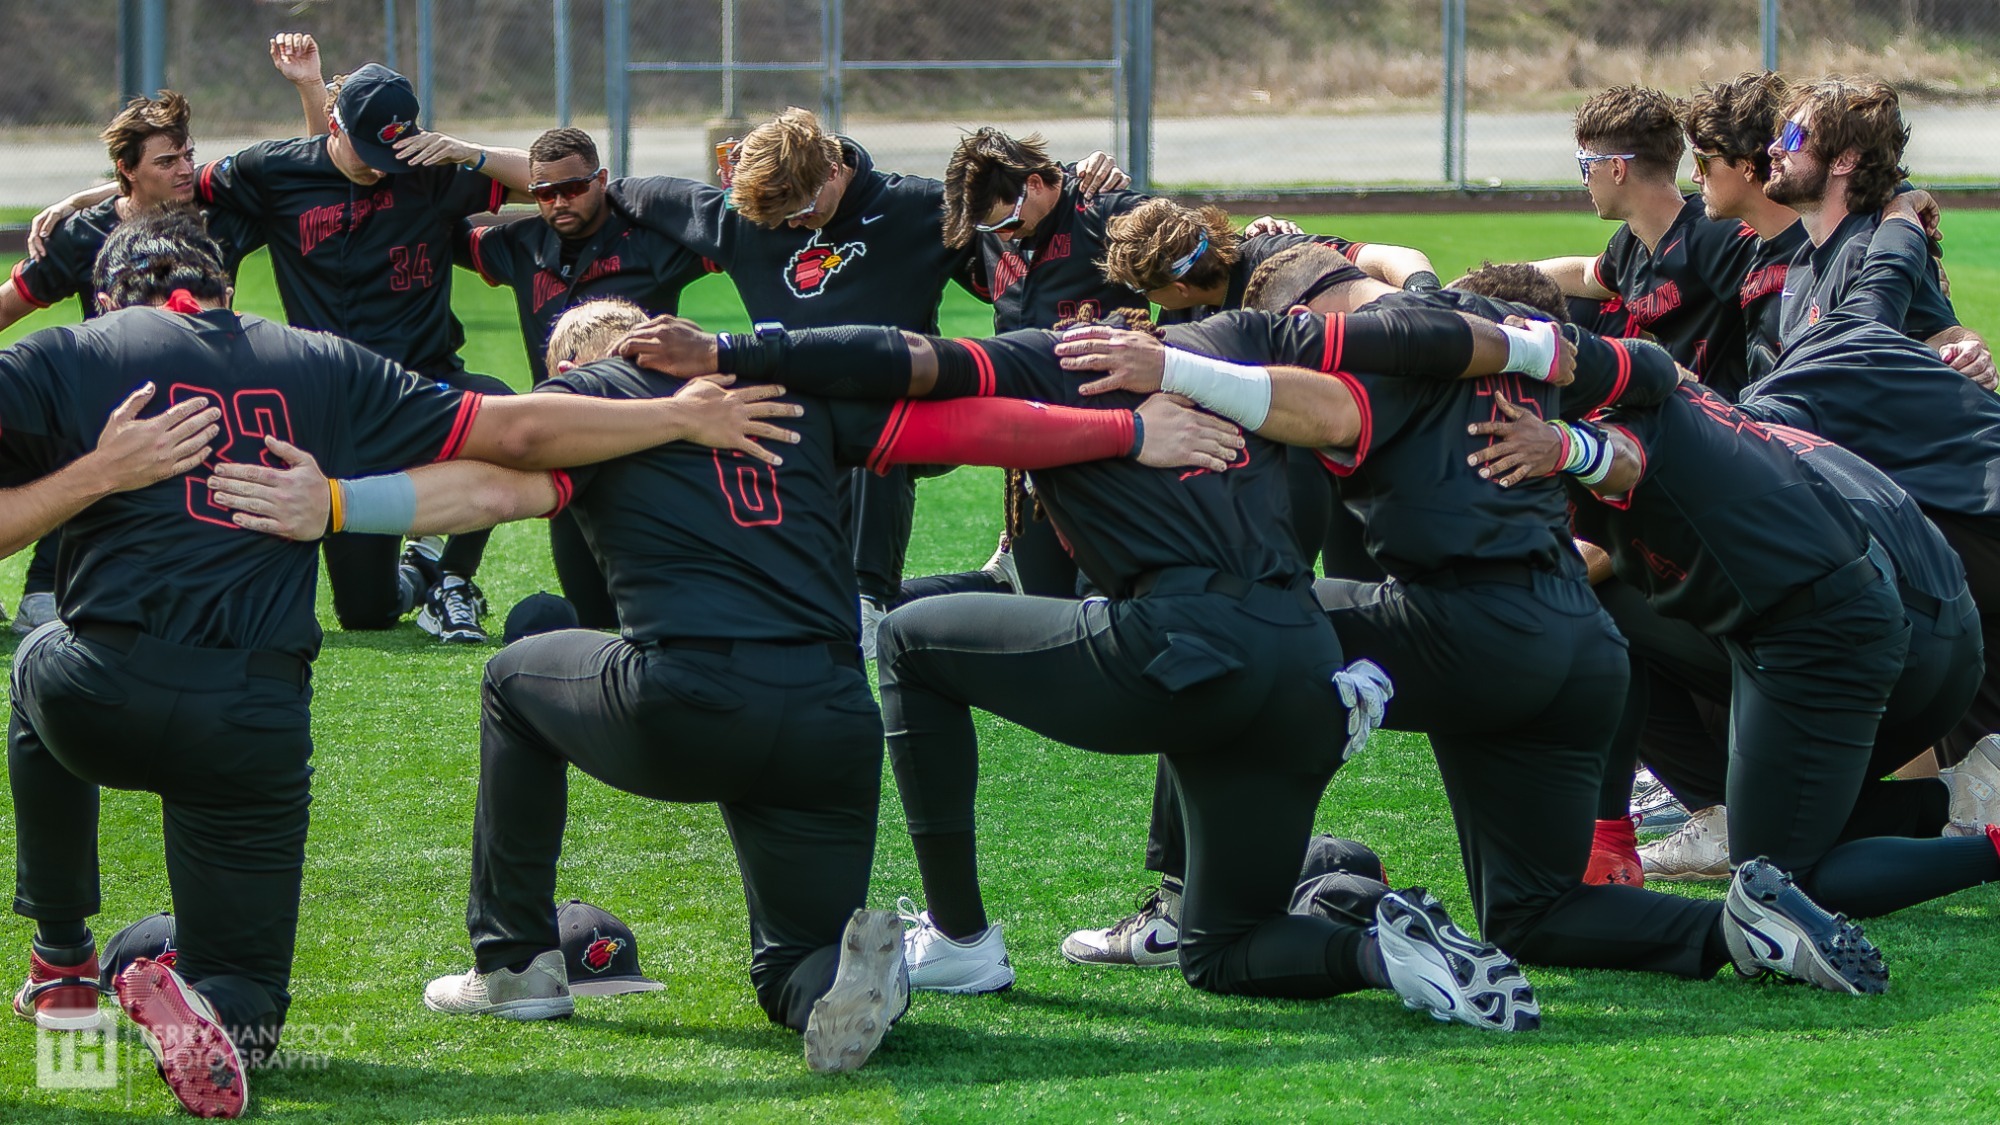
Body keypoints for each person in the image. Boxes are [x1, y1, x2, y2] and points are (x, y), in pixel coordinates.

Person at [206, 297, 1243, 1070]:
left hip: (687, 698)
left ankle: (515, 967)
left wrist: (336, 507)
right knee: (788, 963)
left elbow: (492, 480)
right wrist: (1131, 432)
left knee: (515, 677)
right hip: (831, 711)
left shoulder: (591, 399)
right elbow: (968, 432)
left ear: (585, 360)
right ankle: (835, 986)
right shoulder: (781, 392)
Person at [4, 212, 796, 1117]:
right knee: (251, 1009)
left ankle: (63, 960)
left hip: (101, 688)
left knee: (35, 657)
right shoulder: (316, 359)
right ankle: (218, 999)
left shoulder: (64, 353)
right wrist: (675, 414)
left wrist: (93, 475)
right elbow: (516, 434)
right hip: (254, 714)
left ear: (109, 298)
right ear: (226, 289)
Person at [1051, 251, 1890, 997]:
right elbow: (1649, 389)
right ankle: (1737, 930)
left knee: (1232, 630)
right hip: (1582, 642)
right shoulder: (1499, 329)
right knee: (1534, 913)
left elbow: (1295, 402)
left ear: (1311, 315)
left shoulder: (1363, 353)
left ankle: (1175, 900)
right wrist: (1563, 428)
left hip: (1474, 629)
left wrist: (1167, 364)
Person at [35, 41, 536, 644]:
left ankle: (451, 576)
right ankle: (413, 573)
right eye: (367, 147)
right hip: (332, 395)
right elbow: (169, 186)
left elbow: (554, 180)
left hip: (421, 380)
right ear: (334, 122)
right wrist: (89, 196)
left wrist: (469, 153)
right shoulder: (272, 170)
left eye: (390, 149)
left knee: (508, 415)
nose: (380, 165)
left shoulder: (427, 171)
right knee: (366, 613)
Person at [607, 108, 1130, 650]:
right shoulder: (746, 217)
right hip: (796, 426)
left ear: (833, 169)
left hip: (909, 415)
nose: (793, 225)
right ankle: (982, 585)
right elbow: (623, 191)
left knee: (875, 424)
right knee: (784, 584)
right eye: (780, 217)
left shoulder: (920, 208)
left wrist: (1079, 174)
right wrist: (545, 184)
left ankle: (870, 596)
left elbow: (1017, 196)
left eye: (803, 209)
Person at [1, 91, 266, 636]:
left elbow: (305, 176)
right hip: (109, 401)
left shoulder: (217, 221)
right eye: (167, 162)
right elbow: (12, 302)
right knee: (80, 451)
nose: (184, 171)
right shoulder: (85, 234)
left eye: (188, 156)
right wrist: (82, 205)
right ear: (127, 170)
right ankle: (43, 592)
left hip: (207, 400)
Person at [456, 126, 717, 628]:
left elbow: (740, 235)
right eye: (544, 193)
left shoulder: (652, 245)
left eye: (572, 188)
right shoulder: (522, 243)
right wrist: (469, 159)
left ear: (601, 180)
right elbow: (431, 229)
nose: (559, 202)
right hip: (566, 446)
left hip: (649, 442)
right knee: (592, 614)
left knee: (657, 609)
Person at [1529, 85, 1760, 399]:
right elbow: (1584, 275)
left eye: (1586, 165)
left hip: (1726, 420)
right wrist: (1488, 280)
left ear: (1616, 169)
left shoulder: (1713, 237)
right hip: (1679, 410)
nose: (1584, 180)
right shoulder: (1629, 246)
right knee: (1571, 307)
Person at [1763, 77, 1992, 386]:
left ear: (1844, 160)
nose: (1774, 148)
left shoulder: (1876, 245)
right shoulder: (1803, 261)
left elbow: (1942, 333)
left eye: (1793, 137)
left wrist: (1968, 350)